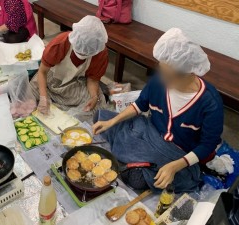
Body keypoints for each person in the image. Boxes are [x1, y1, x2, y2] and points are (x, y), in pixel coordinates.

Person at [92, 28, 224, 193]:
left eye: (168, 76)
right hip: (150, 132)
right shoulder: (159, 81)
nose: (161, 78)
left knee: (139, 179)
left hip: (176, 154)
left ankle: (133, 162)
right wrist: (112, 121)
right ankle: (133, 160)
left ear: (189, 74)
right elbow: (141, 104)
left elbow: (208, 144)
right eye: (161, 71)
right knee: (101, 117)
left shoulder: (210, 103)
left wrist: (175, 166)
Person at [30, 16, 108, 116]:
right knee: (28, 97)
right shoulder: (60, 43)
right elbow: (42, 72)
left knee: (97, 103)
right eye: (79, 51)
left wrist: (93, 96)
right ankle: (52, 101)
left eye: (86, 54)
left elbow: (92, 79)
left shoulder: (99, 51)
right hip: (50, 79)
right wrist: (43, 98)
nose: (82, 55)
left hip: (74, 82)